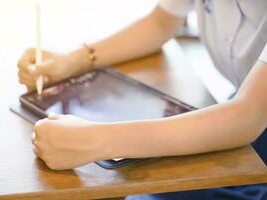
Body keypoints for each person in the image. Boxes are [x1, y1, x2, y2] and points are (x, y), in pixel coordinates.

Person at [18, 0, 267, 199]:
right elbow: (162, 22)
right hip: (248, 98)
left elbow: (248, 116)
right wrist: (73, 61)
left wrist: (98, 141)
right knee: (160, 181)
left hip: (251, 112)